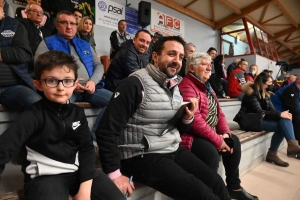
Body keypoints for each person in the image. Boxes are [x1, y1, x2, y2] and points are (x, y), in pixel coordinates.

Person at [97, 36, 231, 200]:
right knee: (203, 195)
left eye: (181, 57)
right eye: (172, 54)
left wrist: (187, 118)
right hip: (141, 156)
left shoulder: (174, 86)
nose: (177, 61)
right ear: (155, 56)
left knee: (217, 183)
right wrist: (114, 174)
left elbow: (175, 128)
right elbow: (106, 130)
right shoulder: (133, 83)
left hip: (171, 148)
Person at [0, 50, 125, 200]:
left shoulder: (77, 113)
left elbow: (86, 149)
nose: (61, 88)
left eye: (67, 81)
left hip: (78, 173)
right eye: (52, 81)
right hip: (45, 178)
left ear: (75, 84)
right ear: (38, 84)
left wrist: (85, 190)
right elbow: (4, 148)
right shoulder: (32, 115)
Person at [179, 52, 258, 200]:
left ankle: (234, 186)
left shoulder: (207, 86)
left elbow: (219, 113)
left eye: (209, 64)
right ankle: (209, 191)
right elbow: (195, 122)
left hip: (209, 131)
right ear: (191, 67)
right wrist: (217, 140)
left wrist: (225, 133)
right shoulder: (187, 85)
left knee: (233, 141)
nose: (209, 68)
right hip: (191, 135)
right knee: (210, 153)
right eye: (204, 64)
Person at [35, 10, 112, 138]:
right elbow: (40, 68)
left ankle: (94, 139)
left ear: (77, 26)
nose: (69, 26)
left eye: (72, 23)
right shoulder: (47, 43)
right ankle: (64, 142)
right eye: (64, 22)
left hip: (90, 88)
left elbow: (99, 65)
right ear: (57, 25)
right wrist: (69, 85)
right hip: (64, 88)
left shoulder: (85, 44)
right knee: (56, 108)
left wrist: (92, 82)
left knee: (116, 100)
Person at [241, 73, 300, 167]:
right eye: (268, 84)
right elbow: (260, 112)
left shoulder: (265, 92)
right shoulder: (251, 93)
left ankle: (291, 146)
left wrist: (282, 115)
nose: (271, 85)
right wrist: (280, 114)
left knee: (285, 120)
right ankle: (277, 152)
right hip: (250, 121)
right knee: (282, 124)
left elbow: (271, 109)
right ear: (261, 83)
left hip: (260, 119)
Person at [0, 7, 41, 111]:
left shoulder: (15, 25)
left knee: (37, 105)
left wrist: (1, 54)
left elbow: (23, 54)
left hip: (11, 86)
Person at [18, 3, 52, 72]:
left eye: (41, 12)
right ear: (27, 13)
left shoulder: (47, 31)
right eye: (35, 11)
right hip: (31, 60)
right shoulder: (22, 24)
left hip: (47, 60)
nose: (39, 14)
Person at [271, 75, 300, 145]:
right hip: (276, 112)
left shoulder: (297, 89)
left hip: (284, 111)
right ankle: (296, 148)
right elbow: (292, 109)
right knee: (296, 118)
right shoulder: (291, 89)